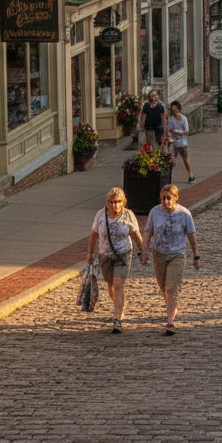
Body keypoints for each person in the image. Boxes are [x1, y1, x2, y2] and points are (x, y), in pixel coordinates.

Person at [141, 184, 200, 335]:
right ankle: (172, 308)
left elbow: (191, 236)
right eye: (163, 198)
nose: (166, 201)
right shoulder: (155, 212)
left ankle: (170, 322)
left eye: (169, 198)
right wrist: (144, 250)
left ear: (175, 198)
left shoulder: (184, 214)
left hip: (177, 255)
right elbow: (148, 231)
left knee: (171, 287)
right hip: (158, 254)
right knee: (163, 288)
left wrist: (196, 255)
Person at [86, 187, 143, 334]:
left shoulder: (128, 215)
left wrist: (142, 250)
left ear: (123, 202)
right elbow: (93, 235)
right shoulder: (100, 215)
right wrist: (89, 253)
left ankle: (117, 318)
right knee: (110, 285)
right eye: (112, 202)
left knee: (118, 284)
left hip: (123, 254)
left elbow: (136, 235)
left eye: (118, 202)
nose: (115, 205)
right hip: (105, 255)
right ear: (107, 202)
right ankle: (119, 305)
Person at [166, 101, 195, 184]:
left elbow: (186, 130)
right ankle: (168, 177)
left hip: (182, 142)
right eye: (173, 110)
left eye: (175, 109)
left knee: (186, 159)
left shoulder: (183, 118)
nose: (174, 111)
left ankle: (191, 175)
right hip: (174, 143)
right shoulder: (171, 119)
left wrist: (179, 133)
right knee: (171, 160)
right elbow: (170, 130)